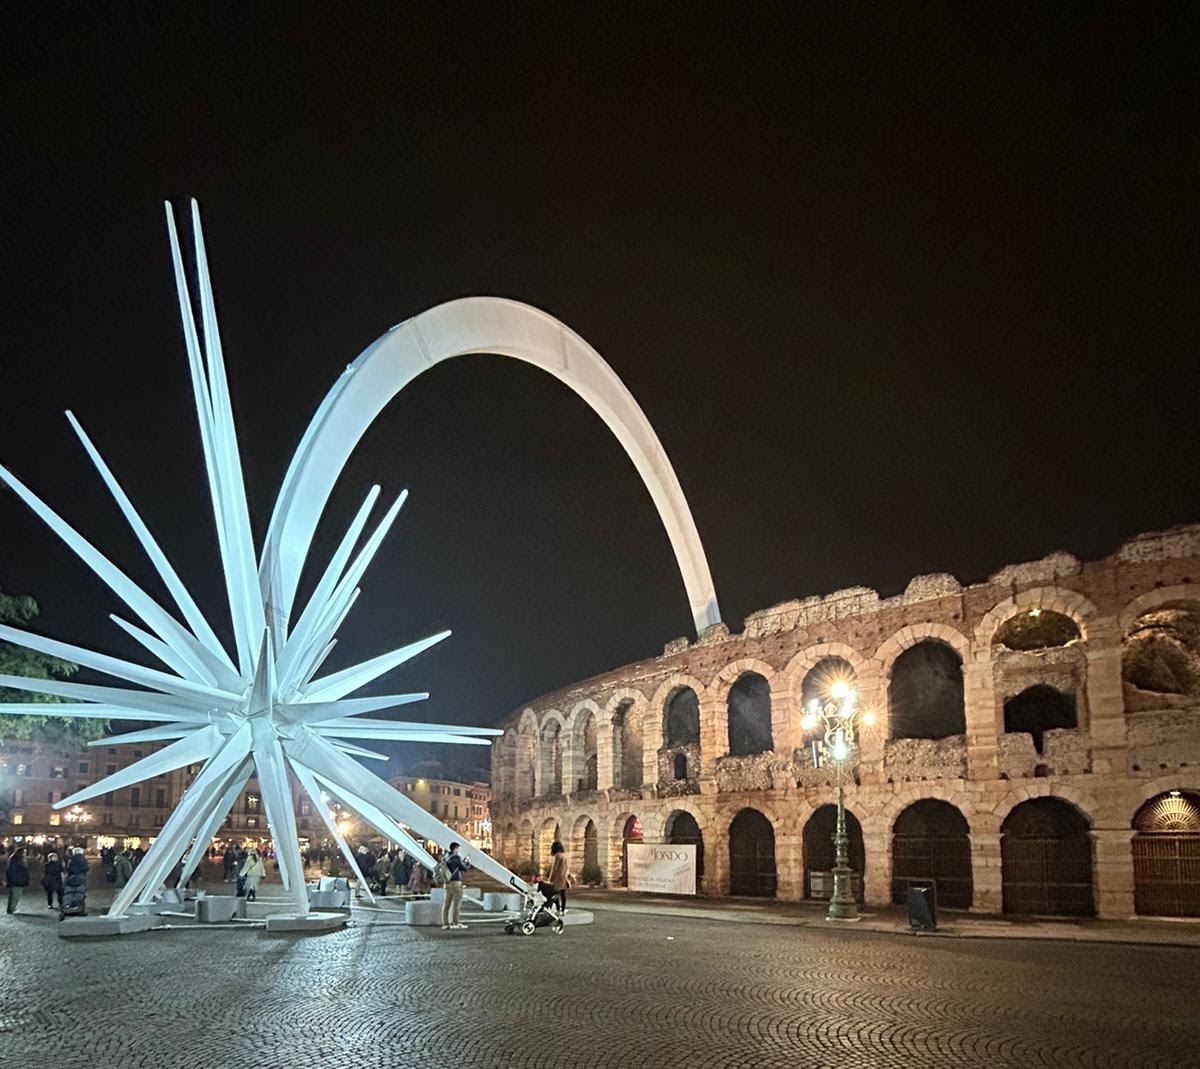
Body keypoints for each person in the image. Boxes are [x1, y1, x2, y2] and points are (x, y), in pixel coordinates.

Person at [440, 842, 471, 930]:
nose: (459, 850)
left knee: (446, 904)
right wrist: (468, 863)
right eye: (458, 848)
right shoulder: (456, 857)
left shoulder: (446, 857)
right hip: (456, 883)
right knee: (456, 904)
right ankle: (455, 922)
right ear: (455, 848)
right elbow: (464, 868)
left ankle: (445, 923)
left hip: (447, 882)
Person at [61, 848, 89, 918]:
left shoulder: (70, 860)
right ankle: (80, 907)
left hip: (71, 878)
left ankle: (68, 907)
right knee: (80, 893)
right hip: (80, 878)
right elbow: (86, 868)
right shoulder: (84, 860)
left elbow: (67, 869)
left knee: (69, 893)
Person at [547, 840, 571, 913]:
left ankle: (557, 908)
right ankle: (563, 909)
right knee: (563, 894)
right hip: (565, 877)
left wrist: (550, 878)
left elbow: (554, 868)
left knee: (553, 893)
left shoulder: (557, 856)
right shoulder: (566, 855)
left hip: (558, 877)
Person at [5, 848, 30, 914]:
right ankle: (11, 909)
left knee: (16, 895)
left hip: (18, 880)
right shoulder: (15, 860)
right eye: (24, 852)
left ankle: (12, 908)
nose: (25, 854)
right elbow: (12, 871)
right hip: (16, 880)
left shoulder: (18, 860)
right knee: (15, 895)